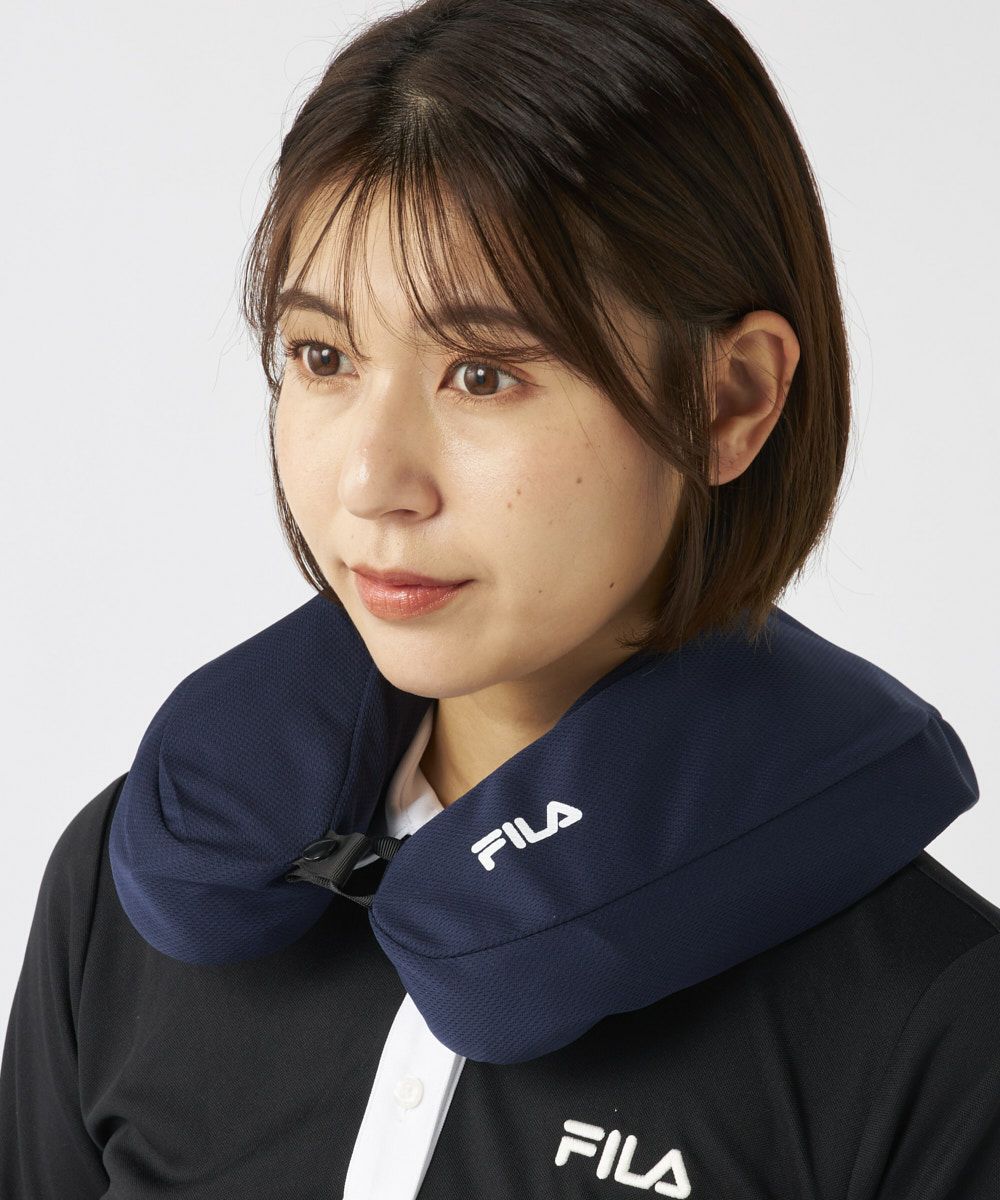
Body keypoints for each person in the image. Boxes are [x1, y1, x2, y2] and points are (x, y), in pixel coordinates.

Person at [2, 0, 997, 1196]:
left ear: (729, 399)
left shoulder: (936, 1034)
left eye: (482, 374)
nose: (371, 481)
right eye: (323, 357)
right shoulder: (129, 896)